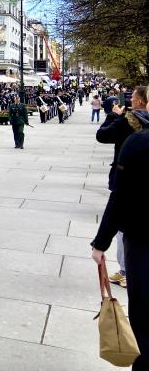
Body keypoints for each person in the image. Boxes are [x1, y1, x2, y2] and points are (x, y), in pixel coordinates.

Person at [92, 121, 149, 371]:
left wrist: (100, 242)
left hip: (143, 240)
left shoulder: (139, 142)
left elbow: (120, 196)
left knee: (144, 317)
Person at [95, 86, 149, 289]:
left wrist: (113, 116)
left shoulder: (129, 123)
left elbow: (102, 136)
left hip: (128, 181)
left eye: (133, 98)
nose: (131, 101)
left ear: (142, 102)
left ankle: (126, 271)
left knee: (124, 228)